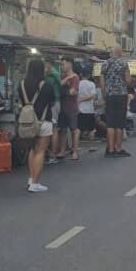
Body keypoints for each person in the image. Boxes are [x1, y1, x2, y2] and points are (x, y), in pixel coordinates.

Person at [20, 58, 56, 193]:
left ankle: (30, 178)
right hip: (43, 121)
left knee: (31, 150)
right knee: (41, 151)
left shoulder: (21, 84)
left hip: (27, 122)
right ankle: (36, 183)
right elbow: (52, 102)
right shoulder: (46, 85)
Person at [101, 45, 130, 157]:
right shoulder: (123, 63)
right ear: (119, 53)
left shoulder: (105, 64)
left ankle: (111, 149)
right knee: (119, 124)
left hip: (110, 96)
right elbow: (128, 80)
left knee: (110, 124)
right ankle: (118, 148)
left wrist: (105, 95)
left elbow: (102, 83)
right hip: (121, 95)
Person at [56, 56, 81, 161]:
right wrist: (66, 80)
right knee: (62, 130)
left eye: (64, 64)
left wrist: (63, 89)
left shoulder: (75, 77)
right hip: (62, 107)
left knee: (74, 130)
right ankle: (62, 150)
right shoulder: (63, 76)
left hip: (72, 108)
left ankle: (75, 151)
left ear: (70, 64)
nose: (62, 66)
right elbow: (58, 87)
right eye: (61, 64)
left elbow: (73, 92)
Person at [78, 73, 98, 140]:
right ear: (89, 76)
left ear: (81, 75)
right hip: (90, 109)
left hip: (80, 109)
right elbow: (93, 96)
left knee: (78, 128)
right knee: (91, 129)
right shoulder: (92, 84)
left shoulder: (78, 83)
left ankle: (76, 145)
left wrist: (80, 100)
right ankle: (92, 146)